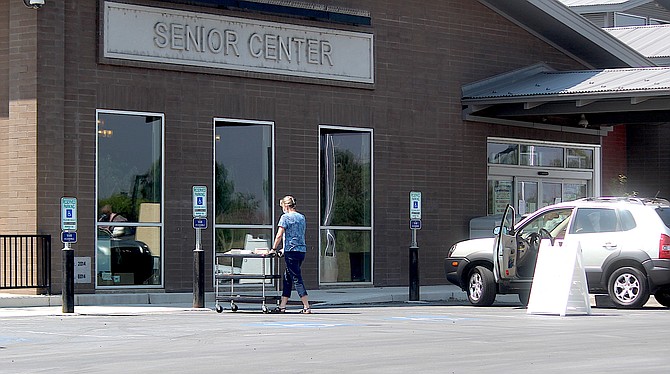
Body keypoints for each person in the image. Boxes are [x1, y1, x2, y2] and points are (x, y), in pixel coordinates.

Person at [271, 195, 311, 314]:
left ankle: (306, 306)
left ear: (286, 206)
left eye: (282, 206)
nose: (282, 208)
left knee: (296, 277)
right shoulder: (301, 217)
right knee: (287, 277)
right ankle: (282, 306)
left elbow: (279, 235)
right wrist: (284, 248)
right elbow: (297, 235)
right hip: (301, 250)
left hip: (291, 252)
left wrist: (274, 248)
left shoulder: (285, 217)